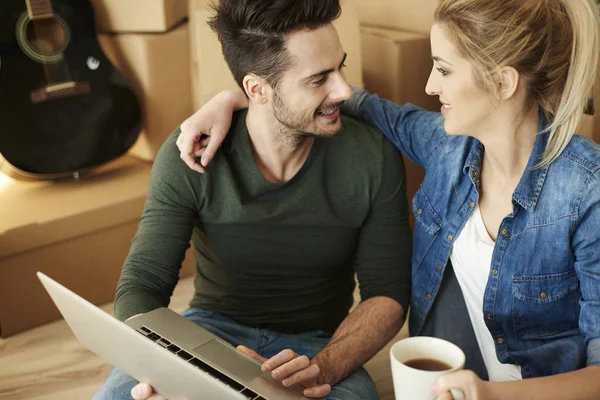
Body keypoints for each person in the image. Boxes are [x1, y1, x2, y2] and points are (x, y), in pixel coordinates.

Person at [176, 0, 600, 398]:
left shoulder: (586, 191)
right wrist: (239, 98)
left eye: (444, 69)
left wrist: (491, 395)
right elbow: (334, 99)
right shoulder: (448, 148)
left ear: (503, 82)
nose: (430, 86)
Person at [93, 0, 413, 399]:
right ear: (256, 89)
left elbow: (387, 292)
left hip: (319, 344)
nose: (345, 90)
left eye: (341, 67)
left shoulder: (371, 156)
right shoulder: (192, 153)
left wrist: (321, 367)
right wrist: (159, 362)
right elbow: (144, 280)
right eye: (319, 79)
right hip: (206, 333)